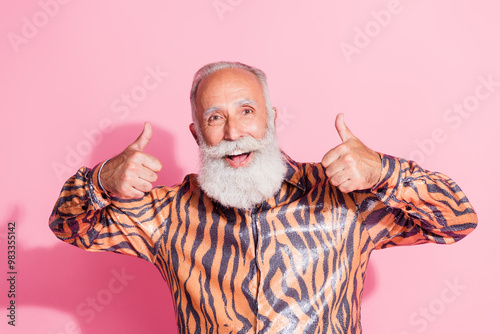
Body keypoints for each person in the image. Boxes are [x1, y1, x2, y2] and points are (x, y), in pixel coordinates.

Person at [49, 61, 478, 333]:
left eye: (246, 112)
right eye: (215, 119)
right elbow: (68, 225)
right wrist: (102, 179)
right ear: (198, 134)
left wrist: (385, 171)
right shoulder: (167, 215)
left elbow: (457, 219)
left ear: (270, 119)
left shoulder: (343, 198)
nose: (233, 134)